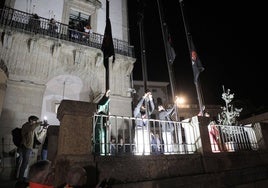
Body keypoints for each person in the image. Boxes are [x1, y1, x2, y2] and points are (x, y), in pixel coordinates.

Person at [18, 115, 47, 181]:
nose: (36, 122)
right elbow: (31, 128)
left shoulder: (32, 129)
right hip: (25, 146)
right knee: (24, 163)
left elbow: (38, 137)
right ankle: (20, 179)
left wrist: (44, 129)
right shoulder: (26, 125)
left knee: (26, 163)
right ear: (31, 120)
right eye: (35, 121)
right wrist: (40, 123)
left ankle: (22, 177)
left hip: (29, 147)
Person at [133, 91, 155, 155]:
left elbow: (152, 108)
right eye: (143, 106)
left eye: (144, 107)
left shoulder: (147, 114)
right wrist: (143, 98)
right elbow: (137, 106)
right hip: (139, 130)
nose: (144, 107)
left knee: (147, 147)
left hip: (146, 131)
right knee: (139, 147)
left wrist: (151, 99)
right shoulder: (137, 113)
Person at [94, 90, 110, 155]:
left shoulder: (104, 114)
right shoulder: (98, 112)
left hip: (103, 127)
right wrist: (106, 96)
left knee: (104, 141)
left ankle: (105, 153)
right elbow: (100, 105)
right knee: (99, 140)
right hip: (98, 128)